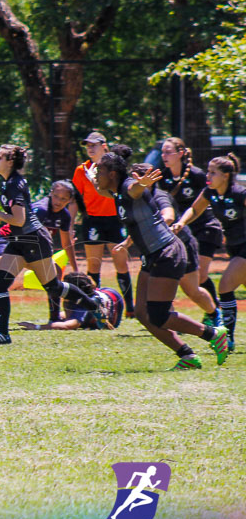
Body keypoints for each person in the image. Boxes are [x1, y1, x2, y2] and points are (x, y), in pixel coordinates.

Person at [94, 151, 228, 370]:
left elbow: (134, 191)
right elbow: (101, 189)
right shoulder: (115, 190)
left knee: (159, 314)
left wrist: (142, 184)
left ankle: (213, 334)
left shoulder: (129, 186)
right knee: (142, 314)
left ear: (112, 173)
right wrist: (93, 177)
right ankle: (187, 356)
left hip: (167, 252)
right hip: (152, 254)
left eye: (100, 170)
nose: (97, 175)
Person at [0, 145, 102, 344]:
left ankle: (93, 303)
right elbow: (18, 218)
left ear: (9, 162)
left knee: (53, 286)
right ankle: (3, 334)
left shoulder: (13, 184)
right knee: (1, 283)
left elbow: (19, 220)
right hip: (20, 240)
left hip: (32, 240)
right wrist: (0, 217)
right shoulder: (8, 182)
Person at [0, 179, 79, 330]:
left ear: (69, 200)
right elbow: (19, 219)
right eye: (56, 196)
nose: (58, 201)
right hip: (7, 240)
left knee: (55, 272)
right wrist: (0, 215)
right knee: (6, 276)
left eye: (63, 199)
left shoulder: (64, 216)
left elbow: (66, 243)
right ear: (50, 194)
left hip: (29, 247)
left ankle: (54, 318)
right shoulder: (41, 210)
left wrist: (75, 268)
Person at [122, 163, 219, 326]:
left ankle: (214, 314)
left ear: (149, 179)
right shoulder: (135, 199)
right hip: (157, 248)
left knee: (192, 291)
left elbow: (168, 216)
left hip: (181, 244)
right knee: (159, 284)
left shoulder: (160, 196)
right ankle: (169, 321)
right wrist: (127, 242)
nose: (131, 184)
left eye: (135, 178)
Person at [173, 152, 246, 353]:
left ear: (226, 175)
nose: (208, 175)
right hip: (234, 247)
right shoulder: (210, 192)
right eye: (208, 171)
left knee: (225, 285)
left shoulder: (240, 194)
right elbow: (194, 210)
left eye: (213, 173)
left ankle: (228, 339)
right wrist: (181, 222)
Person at [157, 137, 224, 324]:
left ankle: (217, 312)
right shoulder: (163, 178)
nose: (164, 156)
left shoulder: (197, 175)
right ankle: (214, 311)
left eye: (168, 152)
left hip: (205, 228)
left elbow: (213, 198)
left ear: (180, 154)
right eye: (163, 152)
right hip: (183, 232)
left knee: (201, 275)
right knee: (190, 280)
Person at [73, 131, 135, 316]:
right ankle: (96, 308)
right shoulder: (81, 170)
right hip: (93, 220)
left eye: (94, 144)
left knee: (121, 264)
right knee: (93, 266)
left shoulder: (115, 168)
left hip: (116, 220)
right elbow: (76, 198)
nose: (90, 148)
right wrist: (70, 223)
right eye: (87, 145)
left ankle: (130, 308)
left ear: (104, 146)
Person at [17, 272, 123, 330]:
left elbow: (69, 325)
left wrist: (36, 327)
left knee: (73, 315)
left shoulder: (82, 306)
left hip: (113, 302)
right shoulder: (85, 298)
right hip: (109, 294)